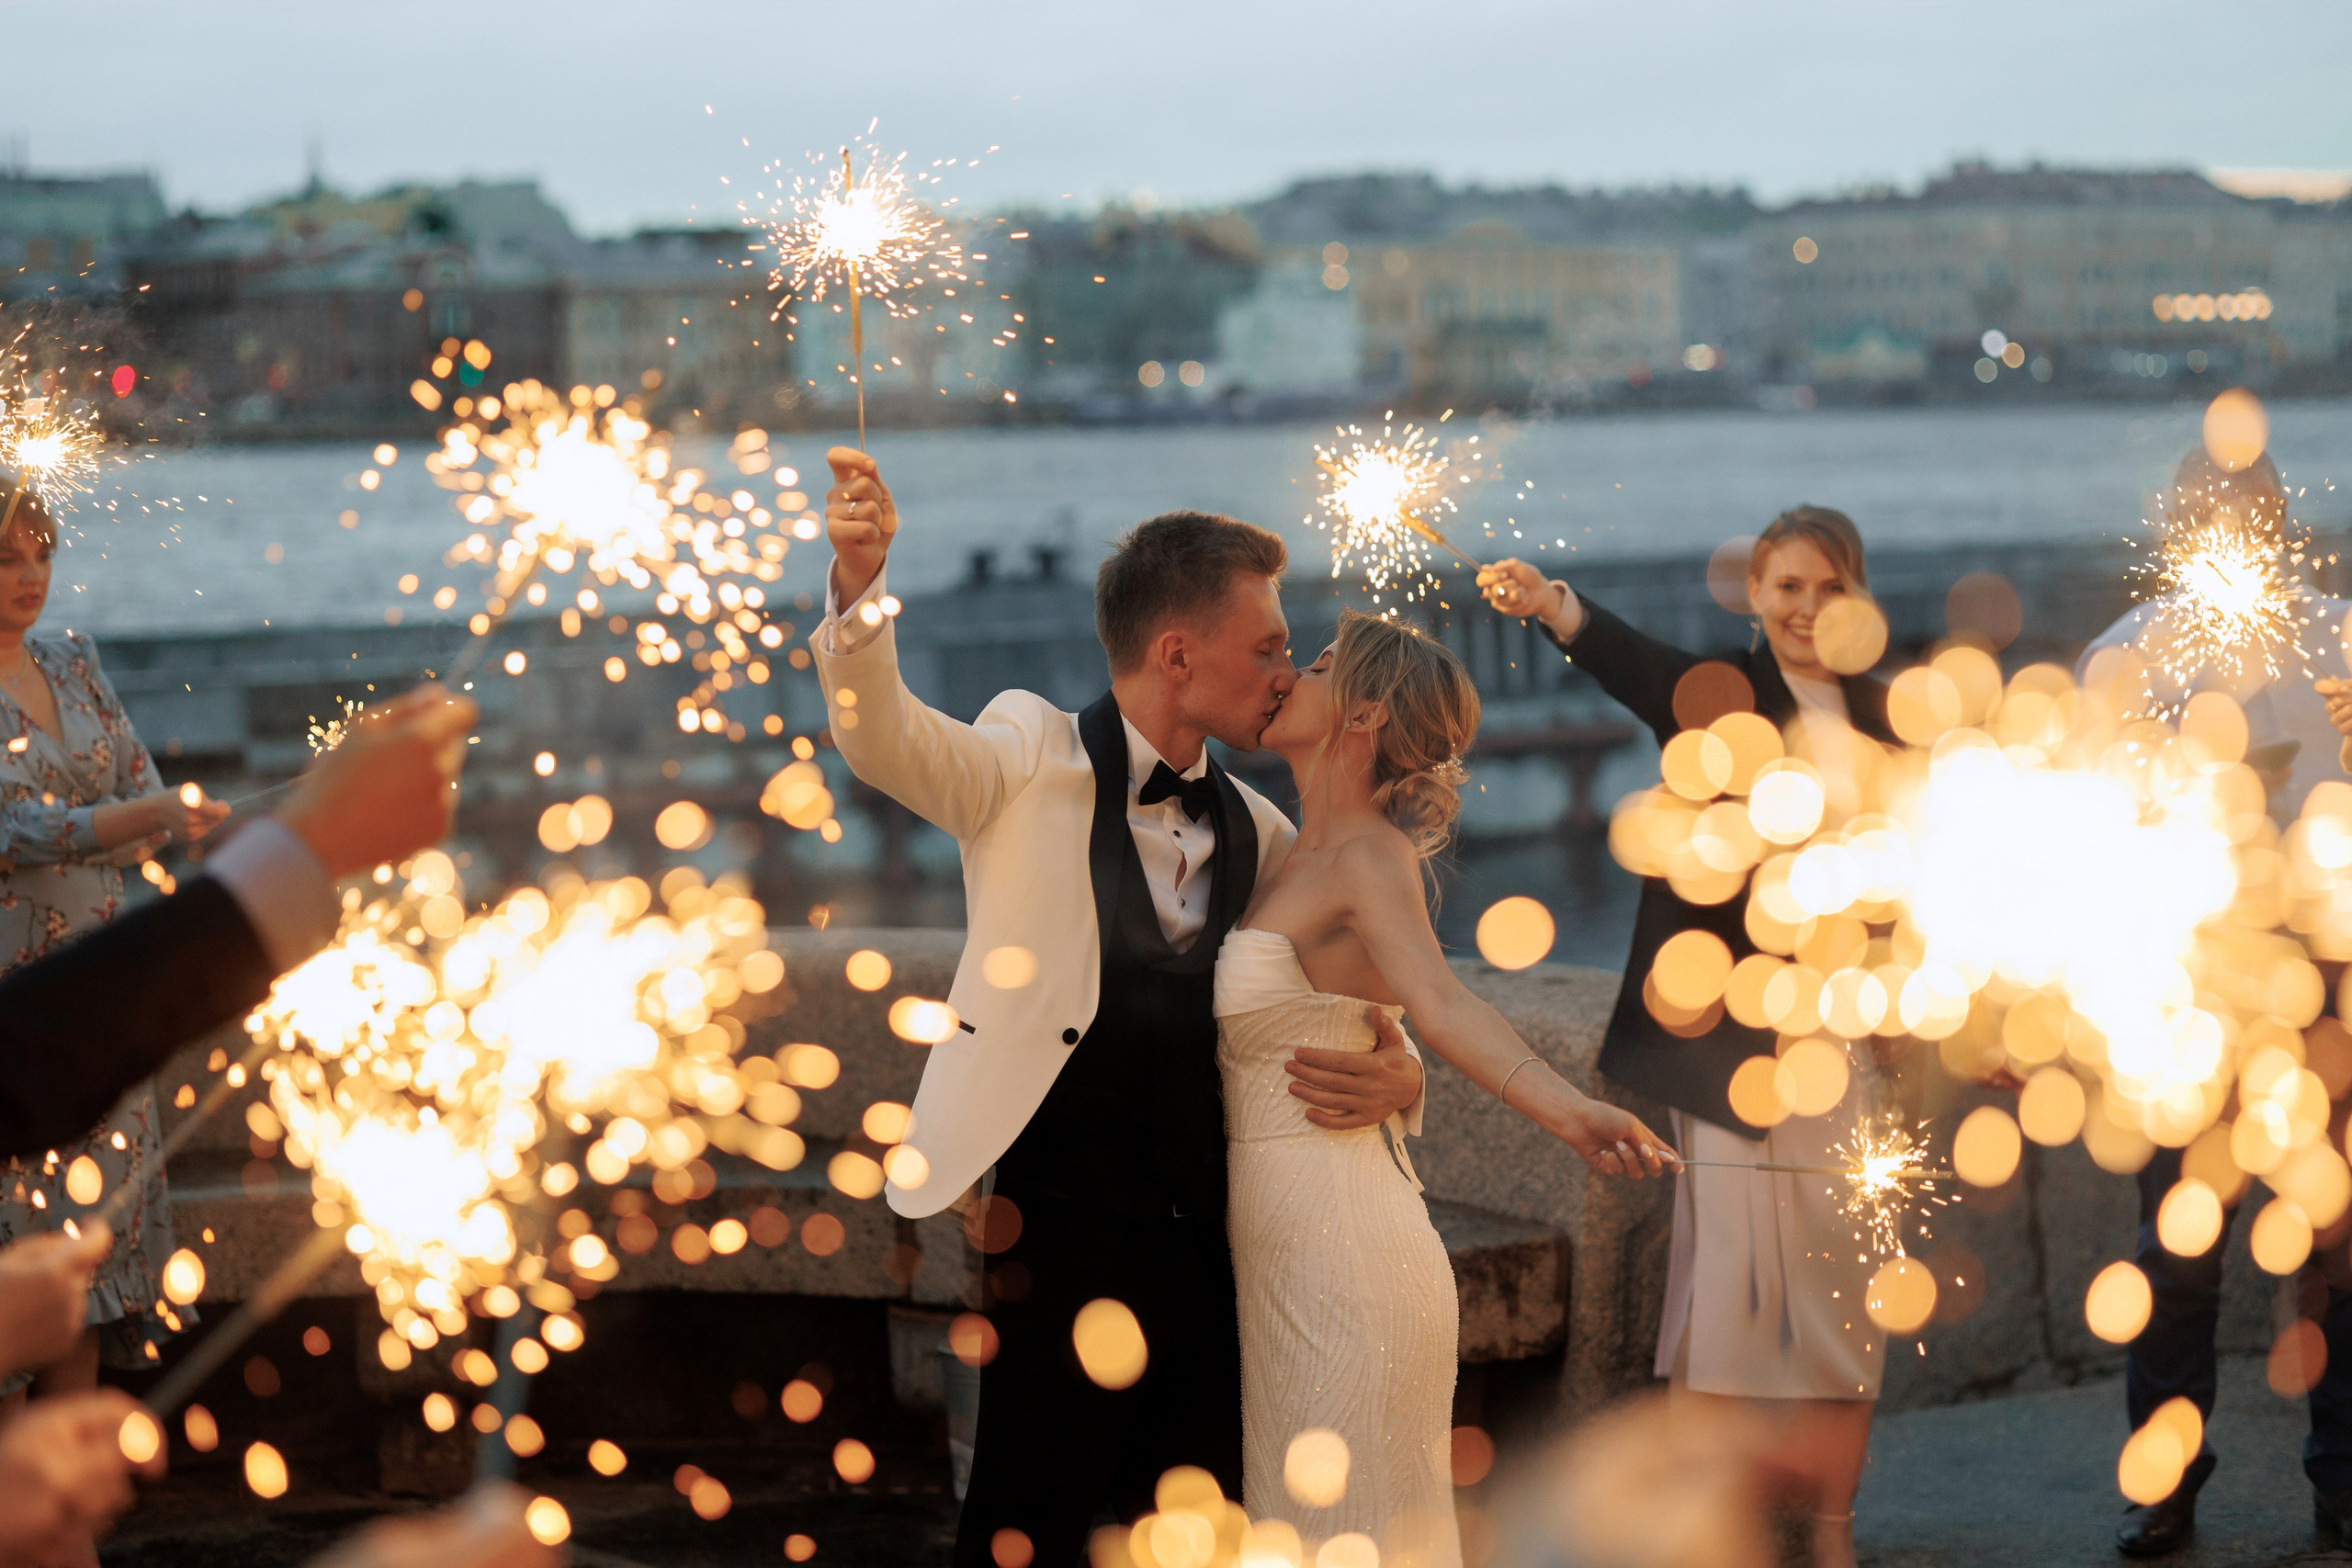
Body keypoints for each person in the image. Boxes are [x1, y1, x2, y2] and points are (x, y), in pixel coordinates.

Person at [813, 447, 1429, 1568]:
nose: (1287, 672)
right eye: (1269, 646)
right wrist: (861, 588)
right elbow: (884, 735)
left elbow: (1357, 993)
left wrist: (1408, 1073)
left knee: (1190, 1528)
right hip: (1052, 1222)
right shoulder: (1024, 753)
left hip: (1216, 1240)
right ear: (1177, 652)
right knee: (1026, 1519)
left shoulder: (1263, 826)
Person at [1480, 508, 1896, 1568]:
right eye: (1787, 587)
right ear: (1754, 595)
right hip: (1730, 1060)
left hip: (1847, 1049)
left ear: (1856, 598)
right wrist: (1551, 605)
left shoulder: (1895, 717)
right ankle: (1722, 1536)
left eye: (1827, 588)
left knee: (1846, 1302)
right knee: (1729, 1305)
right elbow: (1632, 661)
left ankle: (1835, 1533)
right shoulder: (1719, 696)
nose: (1806, 609)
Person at [1225, 610, 1673, 1565]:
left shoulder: (1366, 857)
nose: (1284, 679)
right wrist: (1400, 1070)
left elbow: (1438, 1000)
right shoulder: (1282, 850)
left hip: (1343, 1241)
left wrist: (1571, 1111)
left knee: (1345, 1532)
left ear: (1362, 713)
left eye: (1311, 668)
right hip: (1280, 1239)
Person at [2075, 447, 2352, 1558]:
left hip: (2325, 982)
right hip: (2184, 984)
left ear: (2280, 520)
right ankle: (2165, 1483)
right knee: (2174, 1256)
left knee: (2335, 1253)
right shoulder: (2127, 652)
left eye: (2252, 511)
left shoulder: (2341, 630)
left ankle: (2342, 1486)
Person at [0, 489, 234, 1439]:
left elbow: (137, 787)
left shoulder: (75, 660)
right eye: (5, 561)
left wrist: (170, 819)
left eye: (40, 555)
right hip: (14, 1009)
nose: (29, 579)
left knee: (80, 1292)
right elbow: (19, 832)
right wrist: (146, 818)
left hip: (97, 1007)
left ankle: (61, 1527)